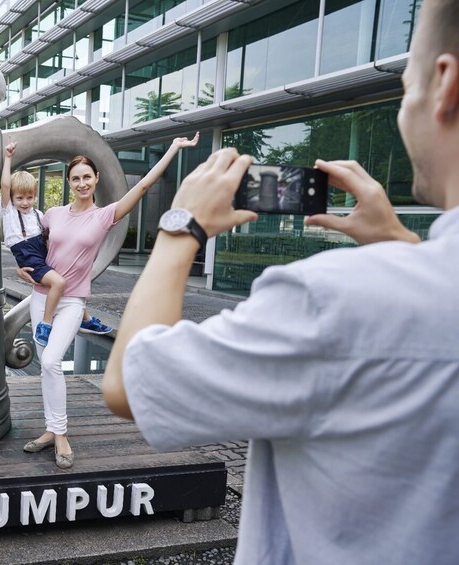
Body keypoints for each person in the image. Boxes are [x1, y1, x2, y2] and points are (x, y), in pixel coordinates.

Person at [103, 1, 459, 562]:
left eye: (405, 82)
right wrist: (404, 248)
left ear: (443, 85)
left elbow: (129, 382)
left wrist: (180, 228)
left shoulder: (332, 300)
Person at [19, 132, 200, 469]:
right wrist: (22, 272)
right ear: (69, 182)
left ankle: (60, 434)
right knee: (48, 368)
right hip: (41, 299)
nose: (82, 183)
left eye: (87, 177)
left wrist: (173, 147)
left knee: (49, 362)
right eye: (75, 178)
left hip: (72, 302)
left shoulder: (104, 216)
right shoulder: (53, 215)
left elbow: (143, 186)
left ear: (96, 179)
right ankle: (50, 429)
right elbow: (32, 251)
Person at [0, 142, 113, 345]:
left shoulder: (39, 215)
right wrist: (8, 158)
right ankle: (46, 323)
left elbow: (53, 233)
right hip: (27, 254)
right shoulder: (8, 211)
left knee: (66, 279)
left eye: (29, 198)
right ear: (12, 198)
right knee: (59, 282)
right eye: (19, 198)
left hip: (41, 250)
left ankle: (86, 320)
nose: (25, 203)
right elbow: (6, 185)